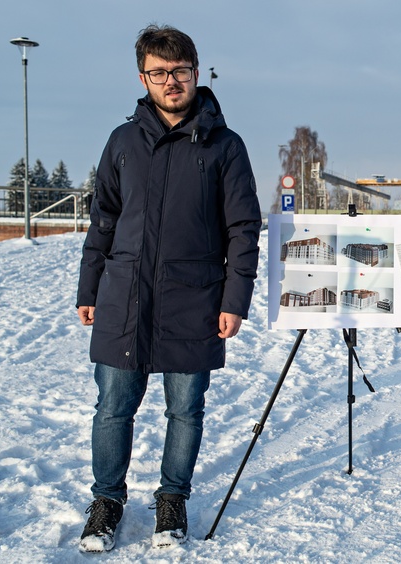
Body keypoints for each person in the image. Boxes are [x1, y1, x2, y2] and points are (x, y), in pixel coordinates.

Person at [75, 24, 261, 553]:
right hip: (124, 297)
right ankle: (107, 501)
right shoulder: (123, 141)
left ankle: (172, 499)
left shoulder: (225, 146)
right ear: (143, 78)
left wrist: (234, 301)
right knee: (112, 406)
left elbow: (242, 229)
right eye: (159, 73)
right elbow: (103, 220)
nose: (170, 81)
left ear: (196, 73)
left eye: (179, 71)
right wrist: (89, 287)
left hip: (193, 298)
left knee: (186, 409)